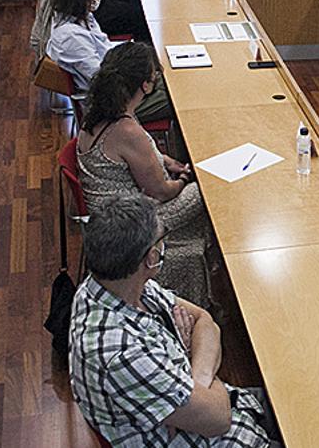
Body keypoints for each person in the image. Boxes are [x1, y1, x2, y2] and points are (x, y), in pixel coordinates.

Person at [69, 192, 275, 446]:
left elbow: (205, 321)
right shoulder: (120, 353)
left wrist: (194, 381)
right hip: (218, 437)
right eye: (162, 237)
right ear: (151, 258)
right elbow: (219, 419)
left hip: (233, 405)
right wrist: (195, 366)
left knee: (301, 400)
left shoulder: (117, 284)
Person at [77, 42, 212, 308]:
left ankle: (203, 252)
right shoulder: (127, 130)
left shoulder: (100, 114)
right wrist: (185, 178)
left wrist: (167, 161)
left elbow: (137, 152)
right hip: (132, 225)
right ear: (145, 86)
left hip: (111, 218)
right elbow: (160, 192)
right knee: (210, 188)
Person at [45, 0, 171, 124]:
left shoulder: (83, 17)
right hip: (113, 105)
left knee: (173, 77)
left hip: (122, 85)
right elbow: (103, 79)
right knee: (177, 98)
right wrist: (145, 78)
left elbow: (105, 48)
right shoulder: (70, 38)